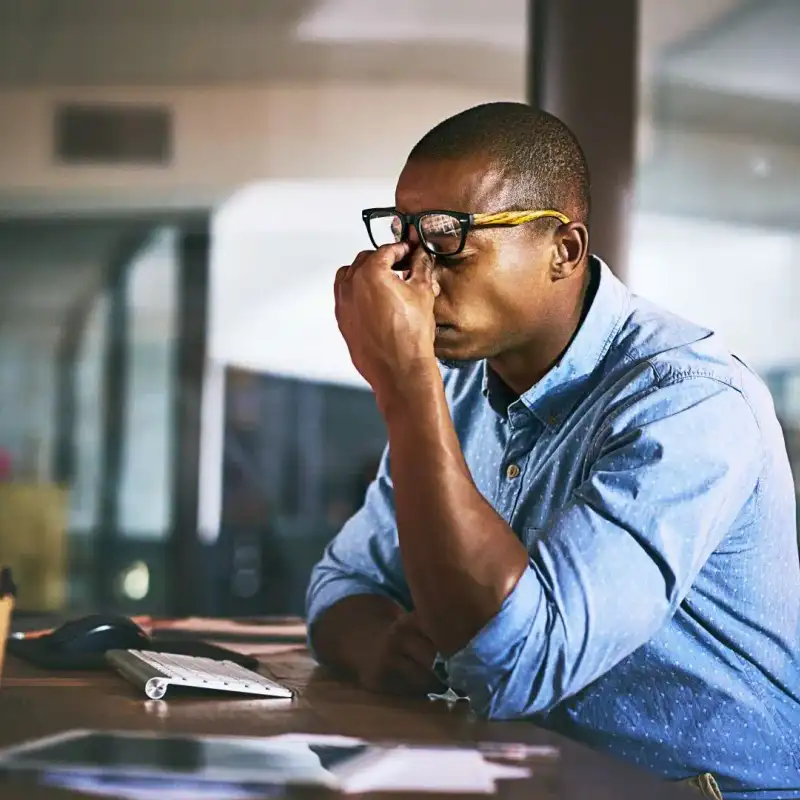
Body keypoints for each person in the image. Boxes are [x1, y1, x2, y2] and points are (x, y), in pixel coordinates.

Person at [305, 102, 800, 798]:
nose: (413, 276)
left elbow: (513, 662)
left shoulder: (690, 403)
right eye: (404, 237)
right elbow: (341, 584)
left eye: (448, 239)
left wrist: (404, 383)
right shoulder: (461, 387)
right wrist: (381, 644)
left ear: (563, 250)